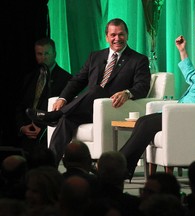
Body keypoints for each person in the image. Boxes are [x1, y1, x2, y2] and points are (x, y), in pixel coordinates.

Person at [26, 18, 151, 165]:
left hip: (111, 109)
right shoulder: (95, 56)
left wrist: (127, 93)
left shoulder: (138, 60)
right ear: (107, 37)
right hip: (86, 109)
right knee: (66, 120)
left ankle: (55, 115)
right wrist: (63, 99)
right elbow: (77, 81)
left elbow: (142, 86)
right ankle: (50, 166)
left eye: (121, 34)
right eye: (113, 35)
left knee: (97, 90)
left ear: (127, 35)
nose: (117, 38)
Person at [119, 20, 195, 179]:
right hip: (183, 111)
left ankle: (117, 166)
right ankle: (125, 168)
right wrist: (182, 51)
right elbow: (191, 78)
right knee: (142, 121)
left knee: (146, 124)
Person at [15, 37, 72, 154]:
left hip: (48, 136)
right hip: (27, 136)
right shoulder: (29, 78)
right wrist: (22, 127)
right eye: (39, 54)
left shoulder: (66, 79)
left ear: (54, 54)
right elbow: (20, 105)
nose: (43, 57)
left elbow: (64, 111)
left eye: (47, 53)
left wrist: (43, 128)